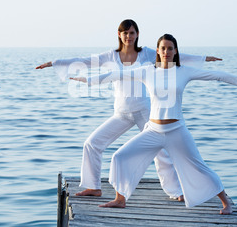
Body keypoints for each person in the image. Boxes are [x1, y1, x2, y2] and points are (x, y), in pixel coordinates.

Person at [71, 34, 237, 214]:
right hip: (153, 130)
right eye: (163, 48)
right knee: (120, 157)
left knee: (199, 166)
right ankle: (120, 199)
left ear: (175, 51)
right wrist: (87, 80)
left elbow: (216, 75)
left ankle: (225, 202)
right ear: (157, 51)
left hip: (176, 130)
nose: (166, 52)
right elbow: (117, 75)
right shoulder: (147, 71)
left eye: (170, 48)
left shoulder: (184, 71)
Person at [36, 20, 222, 200]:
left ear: (137, 34)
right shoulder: (110, 56)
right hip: (121, 113)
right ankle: (93, 187)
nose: (129, 36)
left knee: (161, 154)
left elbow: (174, 54)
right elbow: (84, 61)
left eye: (132, 33)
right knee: (92, 144)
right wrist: (55, 62)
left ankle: (175, 191)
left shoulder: (147, 54)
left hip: (144, 111)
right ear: (119, 35)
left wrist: (204, 59)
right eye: (125, 33)